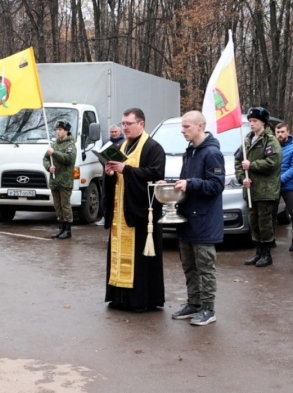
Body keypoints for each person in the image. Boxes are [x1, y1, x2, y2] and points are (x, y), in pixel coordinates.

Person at [103, 107, 166, 310]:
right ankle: (120, 297)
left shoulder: (153, 148)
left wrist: (127, 170)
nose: (125, 127)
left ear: (141, 124)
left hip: (140, 213)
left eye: (129, 123)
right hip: (121, 212)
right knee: (118, 254)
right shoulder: (121, 146)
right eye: (123, 123)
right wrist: (110, 174)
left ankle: (141, 300)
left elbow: (155, 174)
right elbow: (116, 178)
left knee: (140, 259)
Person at [168, 111, 224, 326]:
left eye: (187, 126)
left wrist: (190, 184)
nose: (182, 131)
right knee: (189, 266)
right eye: (182, 126)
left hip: (204, 221)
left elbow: (216, 185)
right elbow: (187, 181)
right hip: (187, 219)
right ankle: (194, 303)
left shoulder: (212, 153)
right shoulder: (190, 152)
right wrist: (172, 184)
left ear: (200, 126)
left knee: (205, 267)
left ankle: (208, 309)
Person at [236, 106, 282, 267]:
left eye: (255, 120)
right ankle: (258, 252)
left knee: (265, 223)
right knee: (254, 222)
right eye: (250, 121)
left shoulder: (270, 140)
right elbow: (238, 161)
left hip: (266, 190)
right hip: (251, 190)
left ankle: (266, 254)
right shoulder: (247, 140)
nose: (251, 123)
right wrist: (242, 178)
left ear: (263, 122)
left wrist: (252, 165)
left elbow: (273, 162)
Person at [43, 120, 77, 239]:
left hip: (65, 181)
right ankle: (61, 228)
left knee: (65, 205)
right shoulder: (54, 144)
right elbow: (45, 158)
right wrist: (48, 167)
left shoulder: (70, 145)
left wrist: (54, 153)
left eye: (60, 130)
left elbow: (69, 159)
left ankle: (67, 230)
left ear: (66, 131)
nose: (58, 132)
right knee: (57, 206)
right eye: (57, 130)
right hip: (54, 180)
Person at [275, 122, 293, 251]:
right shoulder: (272, 147)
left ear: (288, 132)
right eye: (278, 132)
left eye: (282, 132)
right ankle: (270, 240)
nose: (280, 134)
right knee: (271, 214)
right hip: (273, 187)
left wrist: (280, 179)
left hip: (288, 186)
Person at [96, 125, 125, 226]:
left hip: (120, 173)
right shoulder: (106, 142)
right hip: (108, 172)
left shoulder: (124, 143)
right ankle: (106, 216)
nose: (114, 134)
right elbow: (101, 157)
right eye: (112, 132)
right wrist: (106, 164)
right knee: (106, 195)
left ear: (120, 132)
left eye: (115, 132)